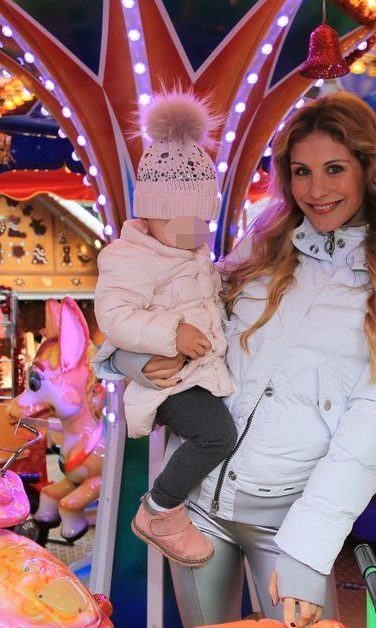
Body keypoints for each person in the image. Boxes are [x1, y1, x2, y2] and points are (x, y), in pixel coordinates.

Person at [113, 92, 376, 628]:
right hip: (198, 501)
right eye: (301, 171)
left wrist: (310, 547)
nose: (316, 190)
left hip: (291, 521)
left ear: (371, 169)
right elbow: (183, 309)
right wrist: (129, 357)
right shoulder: (267, 243)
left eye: (334, 169)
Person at [94, 92, 236, 567]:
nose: (195, 231)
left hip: (198, 373)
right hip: (169, 379)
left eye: (203, 221)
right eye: (182, 220)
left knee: (220, 432)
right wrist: (171, 332)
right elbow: (114, 316)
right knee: (217, 435)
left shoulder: (192, 257)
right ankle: (160, 509)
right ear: (149, 216)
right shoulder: (132, 257)